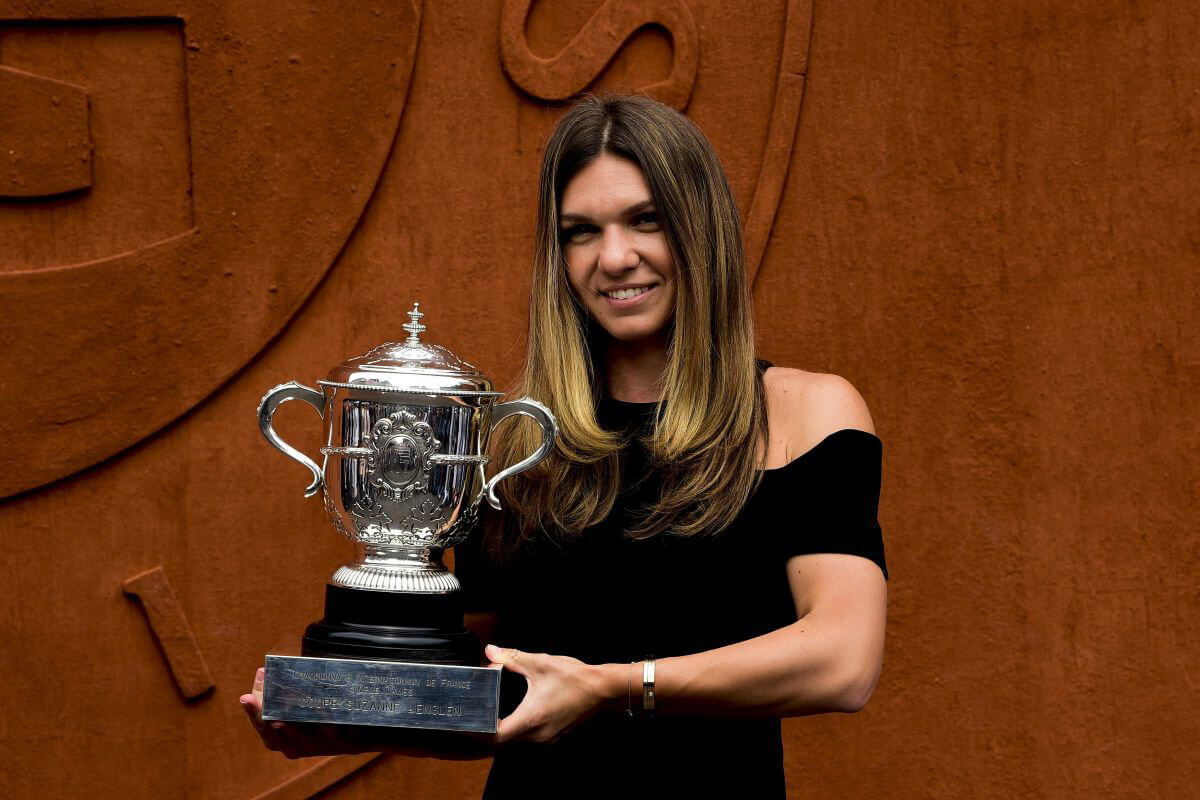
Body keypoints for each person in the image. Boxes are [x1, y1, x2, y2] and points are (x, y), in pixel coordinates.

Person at [242, 93, 888, 798]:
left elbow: (844, 660)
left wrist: (609, 687)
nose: (615, 257)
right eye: (582, 232)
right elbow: (496, 693)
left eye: (646, 220)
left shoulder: (803, 413)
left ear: (702, 230)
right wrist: (341, 715)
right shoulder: (518, 440)